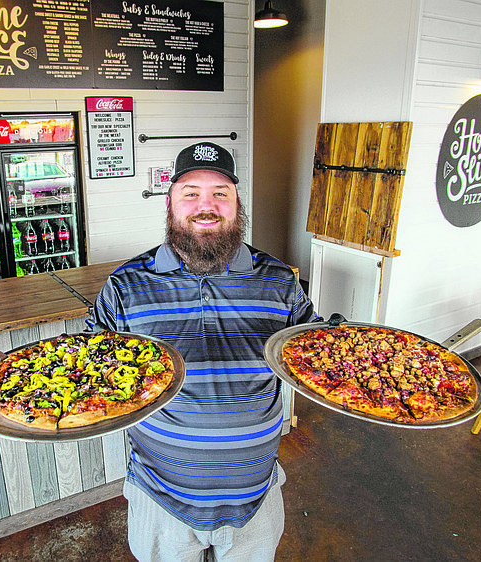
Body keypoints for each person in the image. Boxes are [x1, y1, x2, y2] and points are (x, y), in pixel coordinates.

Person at [88, 141, 319, 561]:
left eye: (220, 193)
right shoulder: (125, 286)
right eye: (190, 193)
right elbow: (84, 363)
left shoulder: (281, 281)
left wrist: (342, 340)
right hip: (162, 500)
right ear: (170, 203)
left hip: (257, 496)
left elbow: (316, 350)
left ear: (237, 203)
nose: (205, 205)